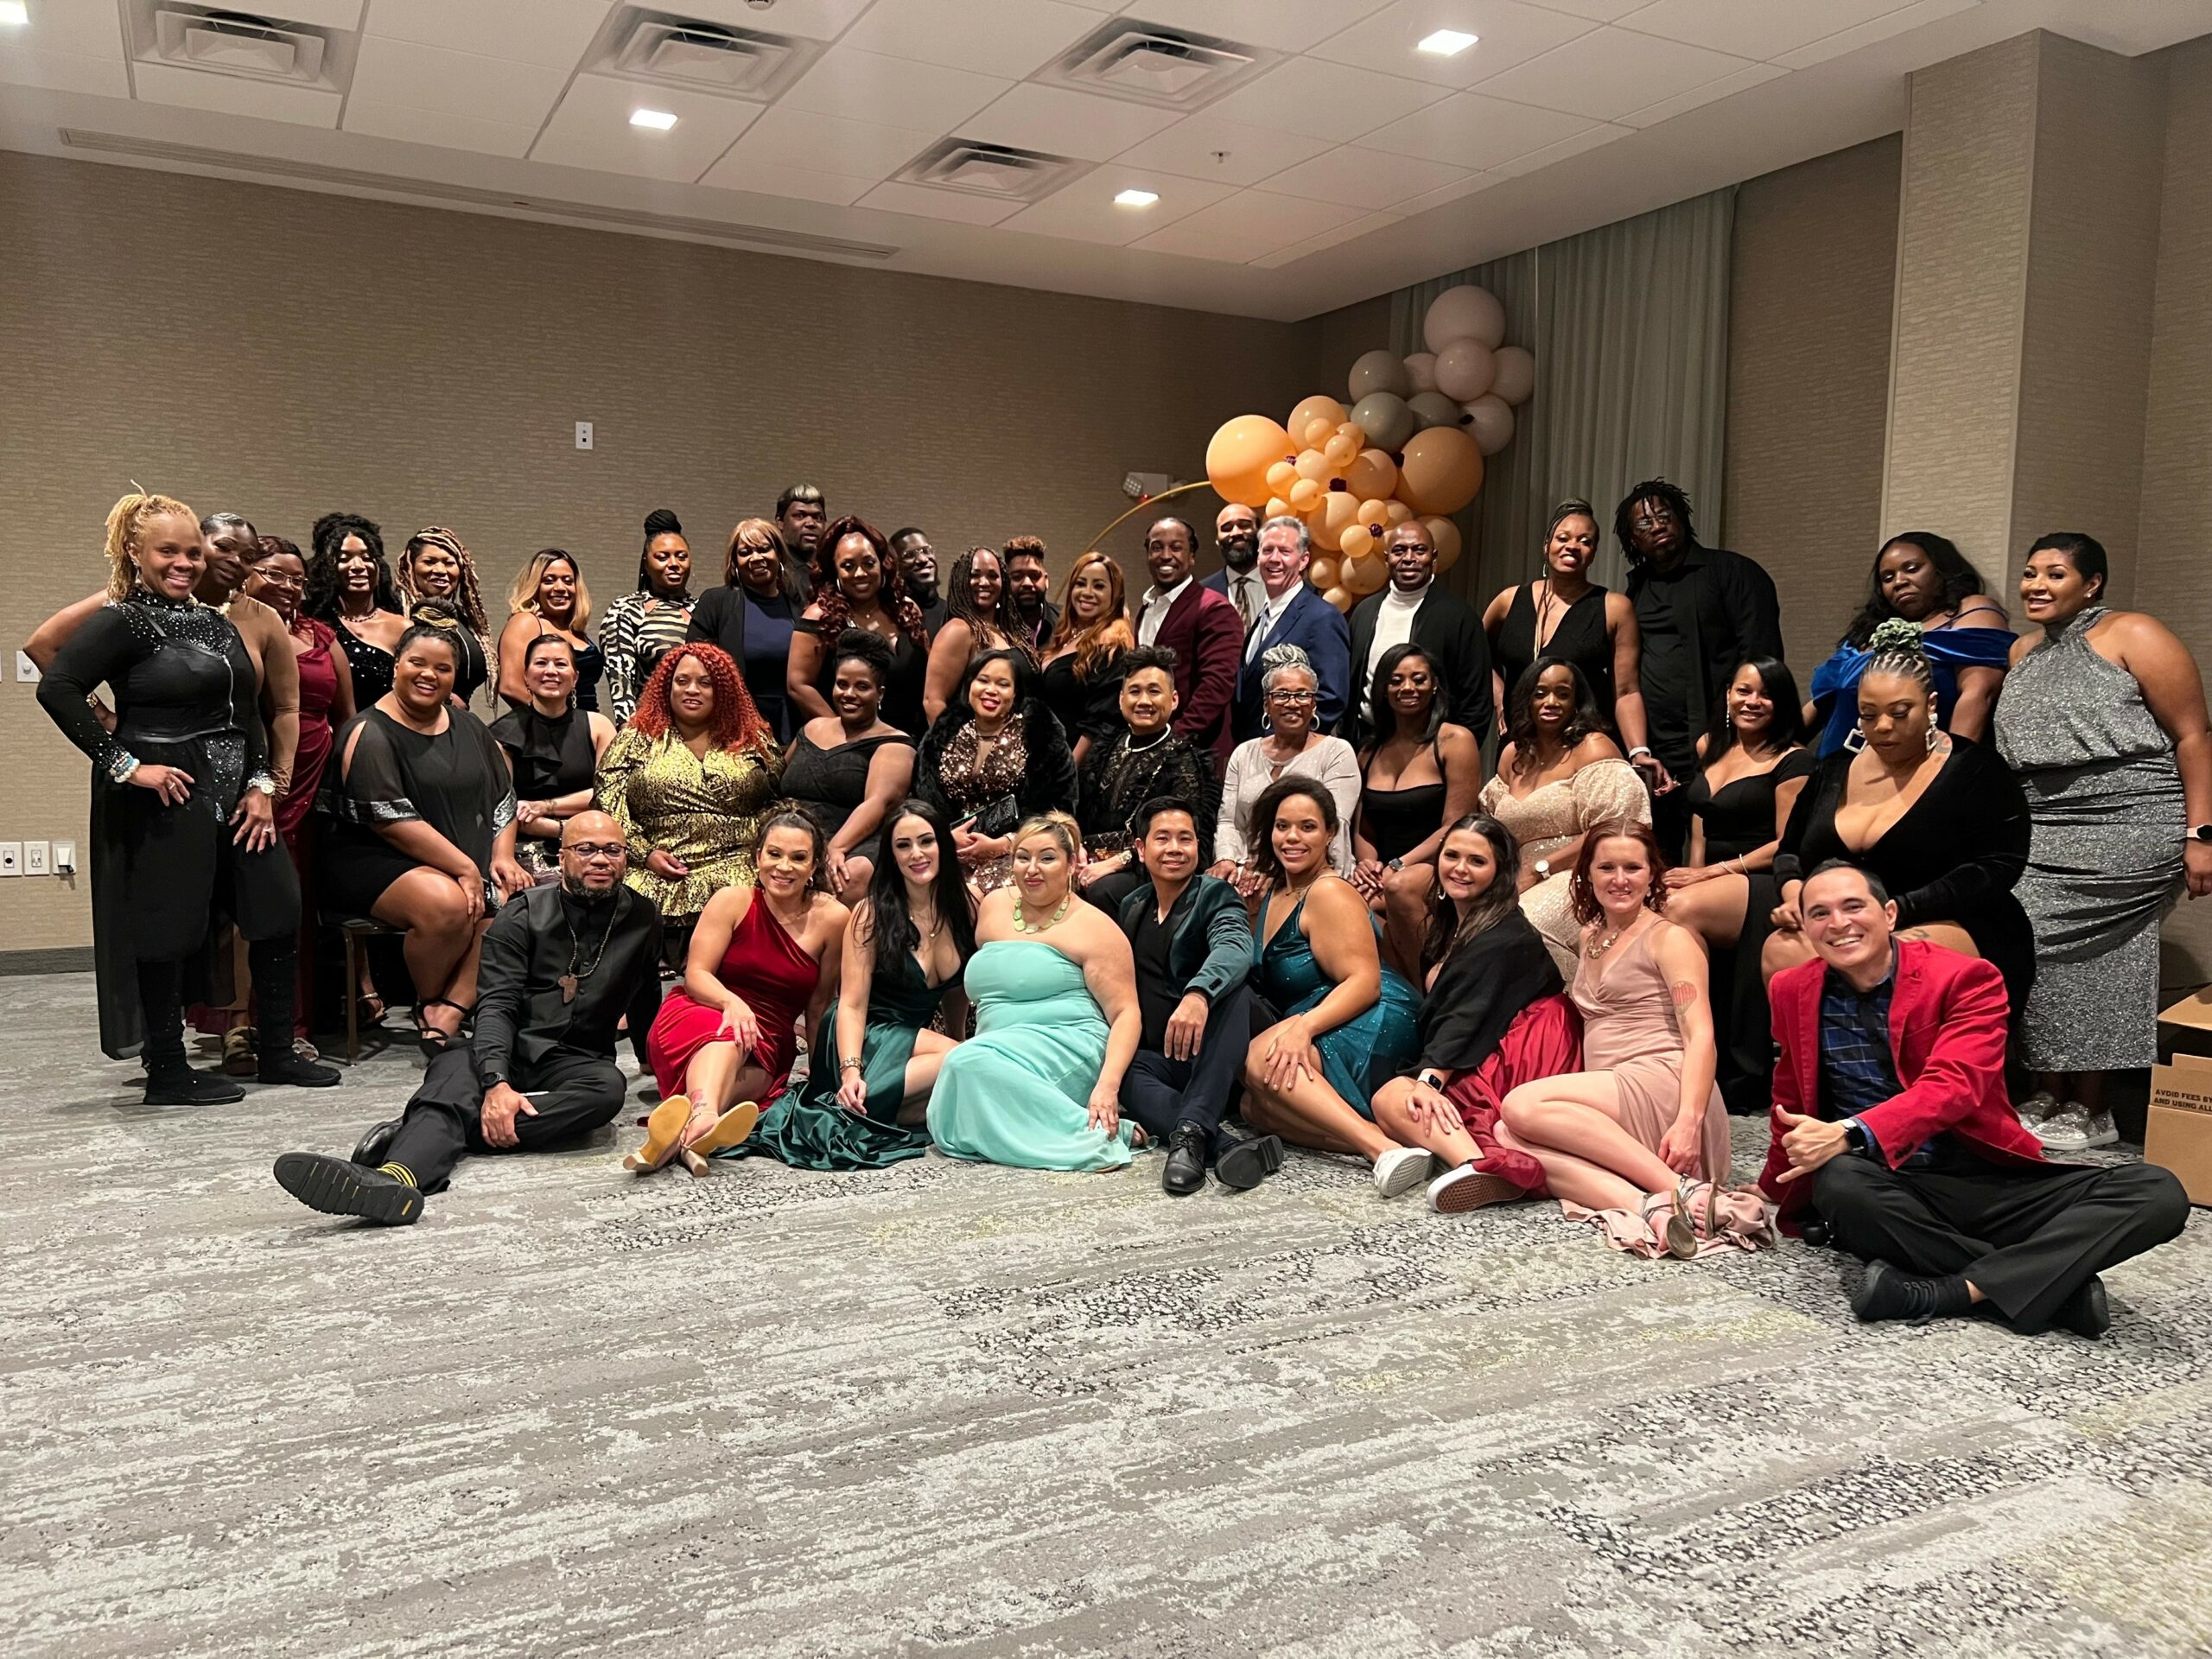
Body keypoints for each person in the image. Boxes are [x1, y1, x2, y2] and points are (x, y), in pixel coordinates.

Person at [1760, 861, 2187, 1337]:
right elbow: (1789, 1096)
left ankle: (1947, 1291)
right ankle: (2052, 1291)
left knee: (2157, 1191)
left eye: (1853, 906)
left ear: (1890, 915)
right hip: (1887, 1184)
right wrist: (1771, 1186)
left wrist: (1849, 1132)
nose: (1838, 923)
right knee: (1839, 1181)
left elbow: (1954, 1086)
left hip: (1983, 1176)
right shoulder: (1792, 988)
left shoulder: (1966, 978)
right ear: (1806, 927)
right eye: (1819, 913)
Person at [36, 491, 332, 1097]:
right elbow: (58, 687)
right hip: (165, 799)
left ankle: (278, 1053)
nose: (184, 563)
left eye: (193, 552)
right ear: (135, 553)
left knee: (277, 911)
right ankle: (168, 1070)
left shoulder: (217, 621)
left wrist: (262, 785)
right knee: (167, 931)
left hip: (237, 795)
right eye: (168, 551)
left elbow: (247, 712)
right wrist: (125, 763)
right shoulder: (123, 620)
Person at [270, 813, 662, 1225]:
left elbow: (645, 993)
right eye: (586, 849)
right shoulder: (522, 915)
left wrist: (652, 1063)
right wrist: (496, 1083)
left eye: (612, 850)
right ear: (561, 857)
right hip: (503, 1048)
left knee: (606, 1092)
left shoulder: (642, 917)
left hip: (577, 1058)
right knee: (456, 1072)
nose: (600, 859)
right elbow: (496, 1005)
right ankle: (394, 1180)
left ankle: (427, 1129)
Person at [1995, 531, 2212, 1150]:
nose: (2037, 585)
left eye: (2055, 573)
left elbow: (2193, 735)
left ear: (2091, 584)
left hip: (2134, 817)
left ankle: (2093, 1104)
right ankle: (2048, 1090)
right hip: (2044, 823)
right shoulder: (2022, 652)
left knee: (2095, 952)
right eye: (2030, 573)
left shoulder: (2134, 633)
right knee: (2028, 938)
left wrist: (2202, 834)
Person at [1496, 823, 1768, 1256]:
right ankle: (1649, 1206)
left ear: (1652, 874)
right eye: (1607, 867)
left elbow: (1701, 1036)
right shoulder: (1589, 936)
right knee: (1505, 1134)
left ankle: (1682, 1187)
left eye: (1632, 868)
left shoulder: (1670, 938)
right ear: (1587, 873)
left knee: (1521, 1106)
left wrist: (1688, 1122)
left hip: (1664, 1085)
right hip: (1615, 1093)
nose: (1619, 879)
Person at [1768, 629, 2034, 1020]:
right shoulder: (1834, 769)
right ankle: (1815, 1062)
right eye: (1868, 714)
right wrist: (1798, 897)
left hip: (1955, 918)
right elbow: (1790, 850)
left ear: (1931, 705)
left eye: (1899, 712)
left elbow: (1998, 865)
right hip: (1847, 919)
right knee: (1782, 950)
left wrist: (1897, 910)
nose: (1882, 726)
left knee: (1880, 961)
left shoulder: (1975, 768)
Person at [731, 799, 976, 1171]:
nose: (916, 854)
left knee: (952, 1090)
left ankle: (865, 1109)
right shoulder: (871, 913)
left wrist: (957, 1036)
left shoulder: (967, 907)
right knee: (966, 1062)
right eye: (903, 845)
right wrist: (850, 1070)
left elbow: (957, 990)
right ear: (891, 855)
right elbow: (851, 1003)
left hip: (913, 1039)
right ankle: (840, 1098)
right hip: (861, 1034)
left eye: (926, 841)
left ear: (943, 843)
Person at [321, 622, 531, 1052]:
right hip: (376, 859)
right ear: (396, 665)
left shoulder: (470, 726)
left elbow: (503, 799)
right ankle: (430, 997)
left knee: (519, 903)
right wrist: (466, 869)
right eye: (417, 663)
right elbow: (391, 821)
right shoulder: (369, 732)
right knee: (448, 905)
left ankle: (447, 1009)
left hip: (461, 855)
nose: (429, 675)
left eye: (443, 668)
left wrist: (503, 856)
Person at [1370, 816, 1576, 1213]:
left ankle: (1478, 1165)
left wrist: (1430, 1081)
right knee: (1389, 1100)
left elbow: (1468, 1016)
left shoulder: (1505, 935)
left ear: (1500, 871)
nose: (1460, 869)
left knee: (1399, 1099)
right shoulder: (1451, 925)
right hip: (1485, 1045)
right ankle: (1474, 1165)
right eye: (1452, 856)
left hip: (1523, 1053)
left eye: (1477, 861)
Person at [633, 810, 849, 1174]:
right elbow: (696, 975)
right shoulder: (732, 900)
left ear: (814, 866)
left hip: (768, 1041)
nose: (784, 867)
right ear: (758, 857)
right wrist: (731, 1003)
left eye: (798, 858)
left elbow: (819, 1005)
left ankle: (683, 1135)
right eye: (774, 854)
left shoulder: (834, 918)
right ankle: (704, 1115)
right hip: (700, 1012)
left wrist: (821, 1074)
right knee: (731, 1033)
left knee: (747, 1081)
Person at [1238, 778, 1425, 1197]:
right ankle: (1394, 1141)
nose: (1292, 838)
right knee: (1254, 1109)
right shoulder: (1276, 891)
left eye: (1307, 827)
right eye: (1282, 826)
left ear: (1330, 834)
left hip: (1371, 1012)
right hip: (1327, 1015)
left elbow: (1364, 983)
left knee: (1261, 1058)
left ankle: (1381, 1150)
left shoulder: (1327, 891)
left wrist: (1302, 1029)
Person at [926, 813, 1144, 1172]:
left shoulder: (1095, 927)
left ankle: (1093, 1133)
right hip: (997, 1046)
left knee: (963, 1064)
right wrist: (959, 1035)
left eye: (1047, 858)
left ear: (1071, 864)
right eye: (1022, 857)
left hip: (1069, 1043)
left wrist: (1108, 1086)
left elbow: (1126, 1014)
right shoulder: (994, 905)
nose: (1032, 869)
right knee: (951, 1107)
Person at [1668, 658, 1814, 1113]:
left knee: (1680, 910)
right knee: (1661, 905)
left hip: (1762, 877)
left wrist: (1711, 874)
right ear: (1728, 695)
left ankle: (1728, 1062)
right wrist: (1691, 873)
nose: (1753, 701)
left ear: (1781, 703)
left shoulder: (1793, 760)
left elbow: (1787, 843)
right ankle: (1680, 1054)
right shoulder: (1710, 745)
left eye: (1765, 694)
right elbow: (1699, 824)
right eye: (1743, 691)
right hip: (1711, 876)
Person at [1115, 796, 1281, 1196]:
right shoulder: (1132, 906)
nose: (1175, 848)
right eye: (1162, 838)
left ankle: (1189, 1136)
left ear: (1198, 846)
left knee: (1235, 993)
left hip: (1231, 1050)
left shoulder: (1215, 895)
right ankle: (1226, 1145)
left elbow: (1234, 946)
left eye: (1185, 838)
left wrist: (1199, 994)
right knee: (1124, 1069)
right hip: (1177, 1057)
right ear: (1141, 848)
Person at [1614, 479, 1783, 857]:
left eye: (1664, 516)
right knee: (1655, 854)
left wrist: (1735, 731)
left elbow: (1762, 661)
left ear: (1682, 519)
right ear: (1632, 539)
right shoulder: (1634, 591)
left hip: (1723, 739)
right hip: (1655, 746)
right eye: (1644, 523)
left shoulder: (1736, 572)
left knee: (1717, 851)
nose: (1657, 526)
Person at [242, 533, 354, 1057]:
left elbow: (347, 719)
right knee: (258, 898)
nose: (288, 586)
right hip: (257, 771)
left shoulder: (322, 636)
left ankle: (294, 1024)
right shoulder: (230, 625)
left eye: (297, 578)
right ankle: (242, 1021)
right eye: (274, 574)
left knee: (302, 902)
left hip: (316, 778)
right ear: (247, 572)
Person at [1478, 658, 1650, 976]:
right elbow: (1491, 828)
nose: (1551, 702)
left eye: (1562, 693)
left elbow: (1612, 829)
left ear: (1576, 703)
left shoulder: (1593, 747)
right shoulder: (1513, 754)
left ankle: (1566, 1004)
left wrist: (1541, 869)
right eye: (1540, 693)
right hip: (1515, 878)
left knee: (1522, 926)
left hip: (1579, 875)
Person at [596, 643, 779, 943]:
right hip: (655, 870)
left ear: (723, 690)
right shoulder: (635, 737)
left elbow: (777, 800)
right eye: (682, 681)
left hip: (742, 870)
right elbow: (608, 802)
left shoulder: (752, 737)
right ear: (667, 687)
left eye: (705, 683)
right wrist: (644, 853)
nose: (692, 690)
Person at [1807, 532, 2012, 757]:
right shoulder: (1868, 632)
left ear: (1941, 569)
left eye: (1912, 569)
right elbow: (1822, 701)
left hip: (1924, 764)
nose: (1899, 582)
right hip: (1839, 765)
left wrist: (1950, 767)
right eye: (1887, 578)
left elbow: (1979, 695)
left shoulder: (1969, 610)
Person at [1484, 499, 1650, 755]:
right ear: (1546, 545)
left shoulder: (1614, 608)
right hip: (1520, 744)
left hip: (1585, 746)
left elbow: (1626, 691)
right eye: (1563, 538)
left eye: (1585, 541)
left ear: (1594, 552)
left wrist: (1638, 751)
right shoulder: (1508, 601)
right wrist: (1500, 701)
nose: (1572, 546)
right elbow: (1477, 656)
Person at [1351, 644, 1484, 955]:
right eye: (1396, 680)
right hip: (1384, 869)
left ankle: (1430, 979)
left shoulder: (1454, 740)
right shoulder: (1368, 752)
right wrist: (1369, 867)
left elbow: (1456, 826)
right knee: (1343, 896)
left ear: (1435, 685)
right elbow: (1363, 828)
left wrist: (1399, 866)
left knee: (1399, 888)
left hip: (1436, 863)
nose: (1408, 687)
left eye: (1419, 679)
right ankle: (1393, 980)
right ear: (1383, 690)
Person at [914, 646, 1077, 893]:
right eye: (983, 681)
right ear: (969, 685)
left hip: (1020, 851)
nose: (991, 690)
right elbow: (923, 802)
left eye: (1003, 684)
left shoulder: (1040, 734)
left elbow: (1056, 809)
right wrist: (944, 837)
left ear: (1015, 693)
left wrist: (1004, 844)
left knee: (973, 895)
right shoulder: (945, 732)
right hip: (949, 848)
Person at [1074, 646, 1217, 914]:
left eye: (1154, 691)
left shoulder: (1184, 759)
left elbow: (1180, 838)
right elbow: (1078, 811)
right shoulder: (1106, 745)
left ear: (1174, 700)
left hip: (1148, 868)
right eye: (1135, 691)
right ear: (1121, 699)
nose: (1144, 701)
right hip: (1091, 857)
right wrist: (1076, 849)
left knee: (1103, 889)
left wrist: (1114, 863)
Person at [779, 630, 917, 903]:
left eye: (862, 687)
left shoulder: (894, 742)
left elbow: (878, 803)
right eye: (842, 684)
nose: (849, 694)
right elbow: (776, 780)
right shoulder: (812, 728)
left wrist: (835, 848)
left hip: (854, 839)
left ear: (880, 693)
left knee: (845, 876)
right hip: (791, 832)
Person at [1214, 647, 1362, 893]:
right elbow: (1229, 821)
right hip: (1246, 870)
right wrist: (1227, 860)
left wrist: (1270, 870)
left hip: (1312, 872)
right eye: (1281, 695)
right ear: (1266, 704)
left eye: (1302, 695)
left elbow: (1331, 828)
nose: (1292, 703)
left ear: (1314, 705)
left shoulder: (1337, 752)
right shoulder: (1243, 753)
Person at [1345, 519, 1493, 751]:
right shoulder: (1365, 612)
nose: (1409, 558)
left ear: (1434, 558)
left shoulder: (1460, 617)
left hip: (1429, 751)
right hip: (1366, 745)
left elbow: (1476, 701)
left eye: (1419, 550)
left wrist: (1453, 754)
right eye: (1399, 551)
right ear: (1386, 559)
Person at [488, 634, 616, 880]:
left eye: (560, 664)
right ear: (526, 676)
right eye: (541, 663)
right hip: (523, 846)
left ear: (575, 677)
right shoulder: (502, 734)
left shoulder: (599, 727)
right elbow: (504, 810)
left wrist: (543, 807)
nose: (551, 671)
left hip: (594, 844)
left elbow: (609, 796)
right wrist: (565, 827)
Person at [792, 517, 930, 738]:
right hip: (849, 741)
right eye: (848, 566)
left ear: (882, 564)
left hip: (913, 738)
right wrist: (840, 735)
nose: (860, 573)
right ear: (835, 572)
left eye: (868, 563)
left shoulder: (907, 610)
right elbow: (798, 685)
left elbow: (930, 678)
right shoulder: (819, 616)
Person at [1134, 516, 1243, 763]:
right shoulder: (1146, 608)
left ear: (1191, 556)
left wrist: (1175, 739)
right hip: (1150, 746)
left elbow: (1216, 685)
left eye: (1176, 547)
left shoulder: (1214, 608)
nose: (1165, 555)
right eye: (1157, 547)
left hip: (1195, 752)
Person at [1232, 517, 1351, 741]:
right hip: (1249, 750)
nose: (1274, 559)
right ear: (1258, 557)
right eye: (1267, 550)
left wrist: (1280, 746)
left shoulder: (1322, 617)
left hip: (1291, 751)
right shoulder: (1263, 615)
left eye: (1285, 551)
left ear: (1304, 560)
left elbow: (1330, 699)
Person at [690, 517, 803, 741]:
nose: (756, 558)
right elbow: (694, 665)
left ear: (779, 555)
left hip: (791, 725)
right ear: (734, 562)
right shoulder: (715, 602)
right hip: (731, 728)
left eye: (764, 549)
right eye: (745, 552)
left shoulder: (799, 607)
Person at [1036, 548, 1134, 771]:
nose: (1087, 592)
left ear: (1115, 594)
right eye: (1081, 584)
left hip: (1075, 769)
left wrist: (1069, 770)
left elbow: (1100, 721)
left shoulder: (1112, 644)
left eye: (1099, 586)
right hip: (1046, 760)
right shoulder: (1066, 636)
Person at [601, 508, 697, 727]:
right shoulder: (626, 609)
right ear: (646, 563)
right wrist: (630, 733)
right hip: (652, 727)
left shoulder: (705, 609)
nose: (674, 564)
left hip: (704, 730)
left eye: (681, 556)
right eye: (662, 557)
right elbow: (621, 681)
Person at [306, 512, 407, 708]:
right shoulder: (310, 622)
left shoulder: (402, 627)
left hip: (384, 725)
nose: (358, 566)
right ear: (326, 568)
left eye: (367, 558)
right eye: (344, 559)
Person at [922, 545, 1024, 725]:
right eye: (975, 575)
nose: (984, 582)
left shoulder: (1008, 630)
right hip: (976, 739)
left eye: (992, 576)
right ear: (961, 580)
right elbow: (933, 701)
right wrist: (955, 742)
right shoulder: (959, 629)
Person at [496, 548, 602, 714]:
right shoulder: (526, 622)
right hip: (547, 727)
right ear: (535, 586)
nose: (560, 587)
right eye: (549, 581)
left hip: (589, 723)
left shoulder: (576, 630)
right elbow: (510, 687)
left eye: (568, 581)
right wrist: (554, 719)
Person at [397, 527, 492, 707]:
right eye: (429, 562)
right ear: (410, 567)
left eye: (449, 563)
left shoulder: (465, 619)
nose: (440, 570)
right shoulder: (398, 614)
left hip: (456, 719)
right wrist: (446, 697)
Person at [1202, 501, 1265, 636]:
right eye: (1227, 528)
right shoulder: (1200, 595)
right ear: (1217, 541)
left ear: (1260, 533)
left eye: (1244, 525)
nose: (1236, 533)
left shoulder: (1286, 587)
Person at [1001, 535, 1058, 656]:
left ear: (1046, 580)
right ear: (1005, 581)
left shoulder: (1065, 622)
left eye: (1034, 576)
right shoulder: (994, 625)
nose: (1027, 583)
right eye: (1017, 577)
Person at [889, 526, 947, 636]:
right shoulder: (889, 617)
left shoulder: (954, 614)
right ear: (895, 566)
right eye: (910, 555)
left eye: (926, 551)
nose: (923, 559)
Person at [774, 482, 827, 593]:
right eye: (800, 516)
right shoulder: (774, 572)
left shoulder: (832, 571)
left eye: (818, 517)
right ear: (780, 522)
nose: (811, 523)